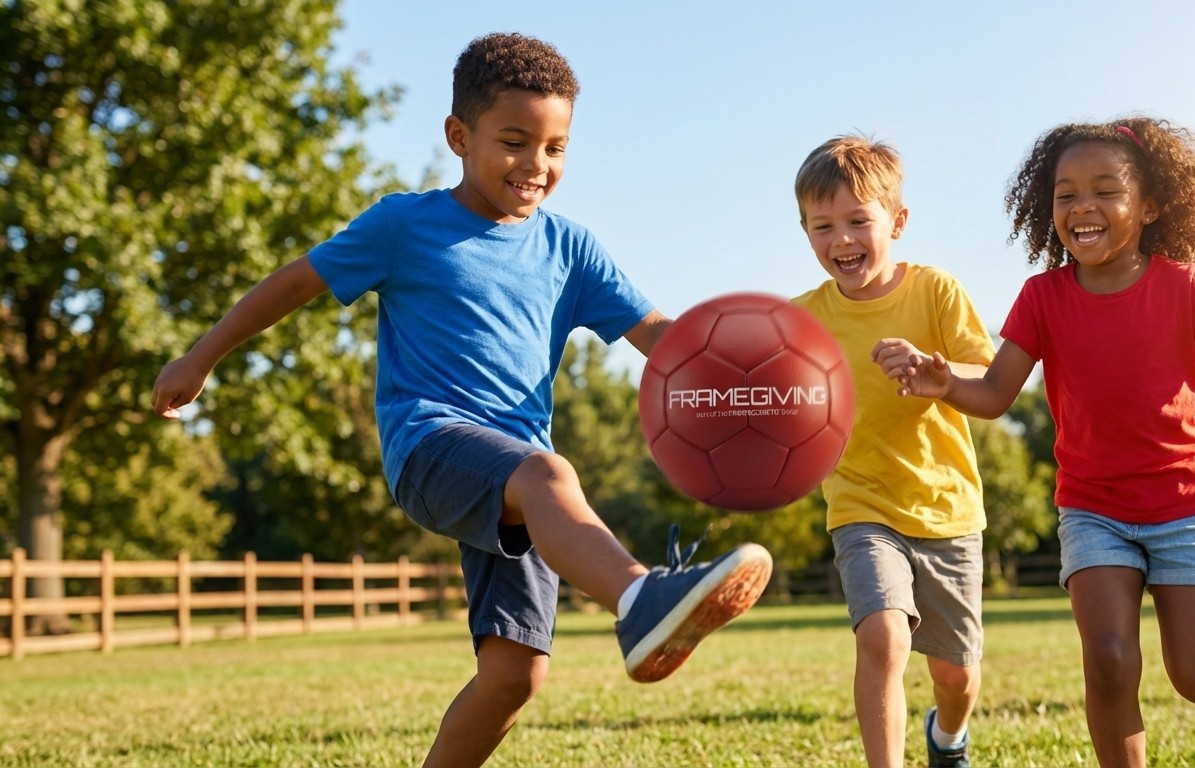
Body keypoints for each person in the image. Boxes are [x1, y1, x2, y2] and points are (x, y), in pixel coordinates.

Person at [150, 32, 773, 768]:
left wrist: (736, 381)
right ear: (458, 135)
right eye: (515, 141)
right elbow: (294, 282)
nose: (537, 165)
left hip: (520, 485)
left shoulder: (570, 248)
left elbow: (656, 333)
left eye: (556, 147)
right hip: (430, 446)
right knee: (549, 475)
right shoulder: (403, 225)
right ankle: (641, 600)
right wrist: (200, 357)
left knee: (514, 677)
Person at [884, 117, 1195, 767]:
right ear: (1047, 206)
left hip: (1187, 503)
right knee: (1110, 660)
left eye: (1103, 190)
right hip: (1092, 508)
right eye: (1065, 194)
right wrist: (942, 380)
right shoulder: (1042, 298)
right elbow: (997, 393)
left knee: (1194, 673)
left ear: (1147, 207)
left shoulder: (1185, 286)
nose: (1082, 207)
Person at [792, 135, 995, 768]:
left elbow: (988, 376)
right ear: (805, 231)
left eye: (859, 220)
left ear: (897, 222)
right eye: (822, 226)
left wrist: (938, 371)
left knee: (955, 678)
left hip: (947, 510)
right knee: (881, 637)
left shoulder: (935, 291)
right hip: (861, 505)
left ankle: (949, 735)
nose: (842, 239)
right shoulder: (800, 319)